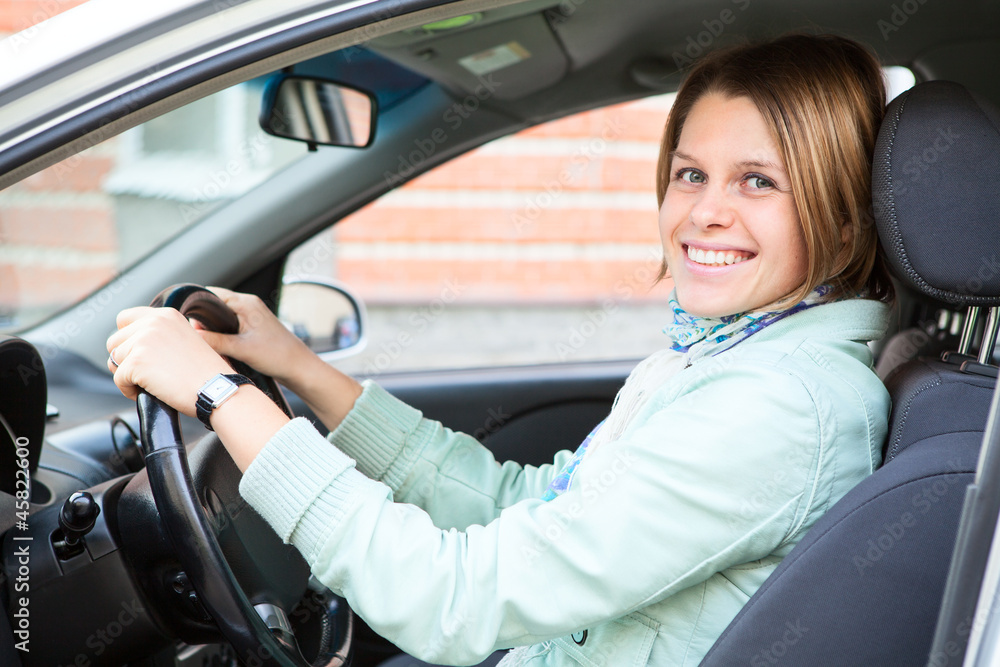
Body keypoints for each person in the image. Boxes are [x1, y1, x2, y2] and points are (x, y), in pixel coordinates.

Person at [106, 33, 894, 667]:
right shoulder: (724, 357)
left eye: (757, 181)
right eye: (690, 173)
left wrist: (221, 397)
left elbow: (454, 599)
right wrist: (296, 366)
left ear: (844, 219)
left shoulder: (781, 406)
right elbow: (526, 504)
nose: (704, 213)